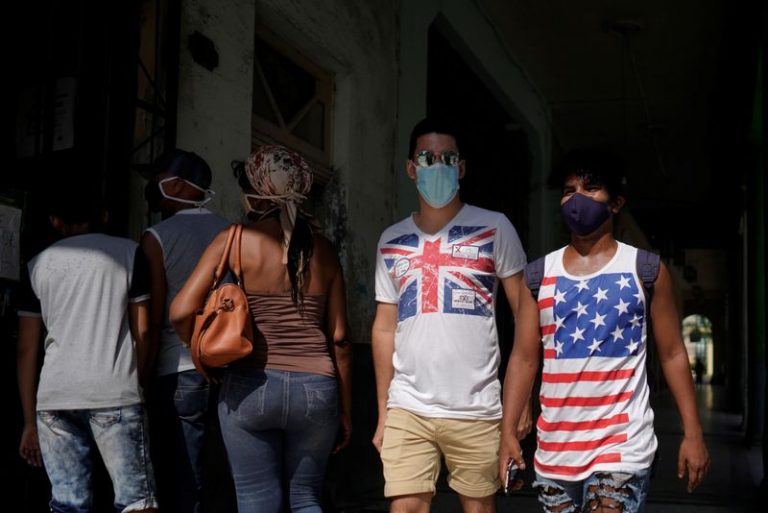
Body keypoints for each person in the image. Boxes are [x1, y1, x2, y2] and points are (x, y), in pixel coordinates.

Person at [498, 149, 710, 513]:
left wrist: (693, 433)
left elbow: (673, 353)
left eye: (591, 188)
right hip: (555, 451)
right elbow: (523, 358)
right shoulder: (537, 276)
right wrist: (506, 433)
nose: (577, 198)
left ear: (615, 203)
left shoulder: (645, 270)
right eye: (569, 190)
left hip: (622, 447)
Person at [169, 145, 352, 513]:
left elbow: (180, 310)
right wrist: (345, 411)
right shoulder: (327, 251)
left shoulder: (234, 240)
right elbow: (341, 339)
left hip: (249, 386)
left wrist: (203, 356)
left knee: (257, 500)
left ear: (256, 193)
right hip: (317, 390)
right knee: (306, 498)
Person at [371, 117, 530, 513]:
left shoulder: (495, 227)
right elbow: (384, 329)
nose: (437, 164)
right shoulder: (391, 240)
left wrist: (521, 400)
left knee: (478, 508)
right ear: (411, 168)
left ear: (461, 167)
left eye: (447, 157)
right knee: (405, 507)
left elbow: (525, 314)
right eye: (427, 157)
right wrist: (383, 414)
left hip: (477, 406)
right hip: (408, 406)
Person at [16, 187, 158, 513]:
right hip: (115, 391)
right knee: (136, 501)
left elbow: (26, 349)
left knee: (67, 503)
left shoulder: (36, 265)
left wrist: (28, 421)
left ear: (55, 221)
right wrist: (142, 383)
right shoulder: (129, 253)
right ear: (104, 216)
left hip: (55, 398)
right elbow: (144, 330)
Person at [140, 149, 229, 513]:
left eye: (156, 178)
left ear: (176, 184)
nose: (151, 188)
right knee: (224, 470)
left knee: (180, 472)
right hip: (229, 364)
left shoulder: (157, 237)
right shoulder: (232, 231)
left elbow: (155, 311)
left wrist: (142, 376)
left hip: (177, 369)